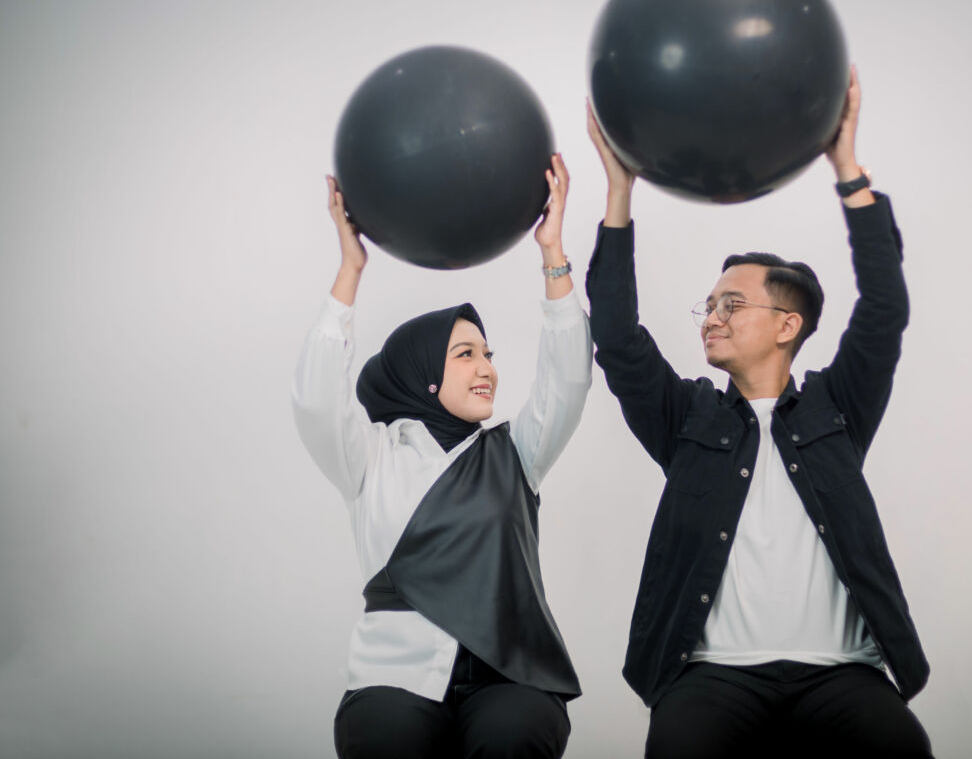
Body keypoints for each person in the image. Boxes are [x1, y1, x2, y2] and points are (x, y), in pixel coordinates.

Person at [584, 68, 933, 758]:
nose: (711, 317)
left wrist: (847, 169)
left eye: (733, 305)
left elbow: (885, 309)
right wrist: (619, 193)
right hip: (712, 676)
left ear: (787, 325)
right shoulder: (687, 417)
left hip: (842, 674)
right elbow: (618, 340)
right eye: (710, 305)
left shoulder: (838, 406)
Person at [292, 155, 592, 759]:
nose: (487, 368)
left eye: (488, 354)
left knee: (512, 739)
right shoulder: (372, 456)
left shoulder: (517, 451)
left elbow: (568, 379)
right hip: (394, 678)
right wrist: (350, 269)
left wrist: (552, 253)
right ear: (423, 374)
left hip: (511, 674)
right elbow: (317, 399)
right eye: (465, 355)